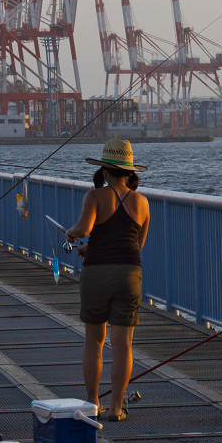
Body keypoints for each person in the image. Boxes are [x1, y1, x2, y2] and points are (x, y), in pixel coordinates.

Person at [66, 138, 150, 421]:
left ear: (104, 170)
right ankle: (115, 407)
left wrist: (73, 234)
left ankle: (93, 404)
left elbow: (84, 228)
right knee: (123, 344)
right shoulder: (143, 203)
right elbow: (135, 244)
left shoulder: (95, 196)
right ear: (129, 172)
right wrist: (95, 244)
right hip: (129, 274)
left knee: (94, 340)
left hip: (97, 273)